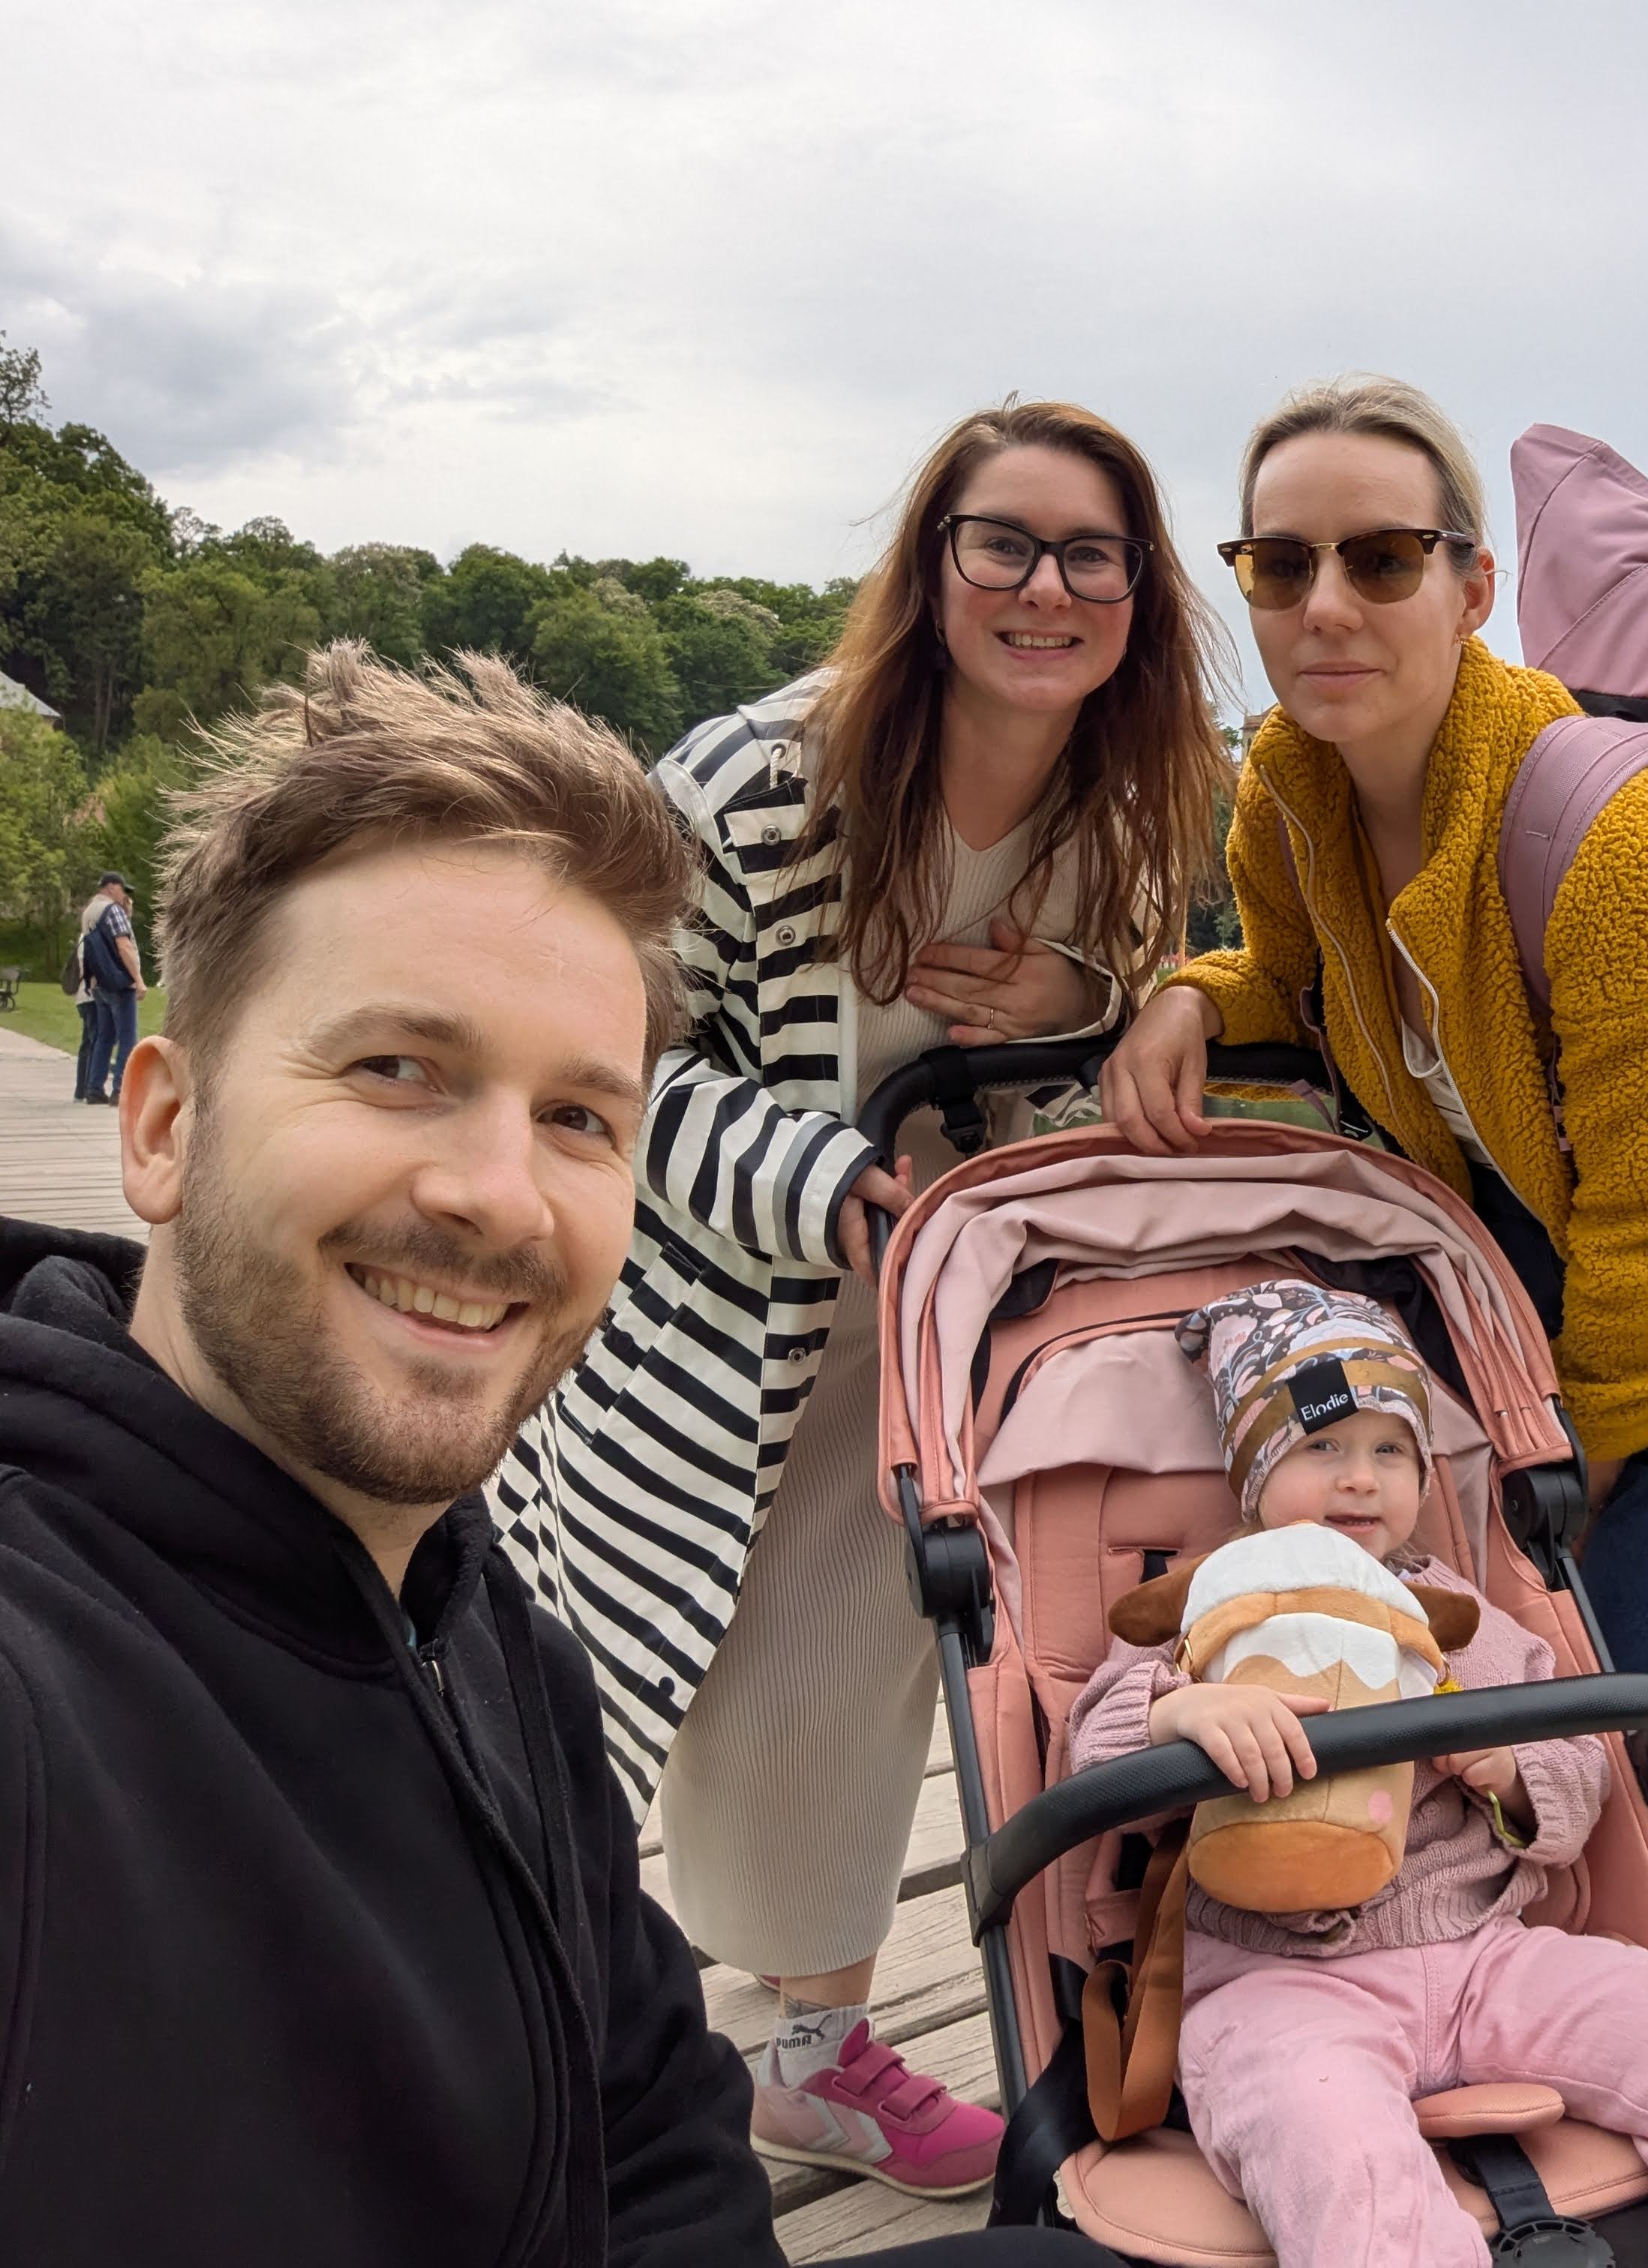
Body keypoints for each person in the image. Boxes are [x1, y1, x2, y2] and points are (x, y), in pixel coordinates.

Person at [0, 643, 1112, 2266]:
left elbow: (660, 2161)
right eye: (400, 1070)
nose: (499, 1196)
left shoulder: (497, 1657)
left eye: (581, 1117)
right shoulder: (47, 1691)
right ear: (161, 1125)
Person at [1100, 378, 1648, 2054]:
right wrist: (1194, 993)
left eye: (1383, 560)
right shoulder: (1290, 784)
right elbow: (1317, 982)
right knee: (1634, 1710)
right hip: (1543, 1266)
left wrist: (1576, 1469)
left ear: (1471, 591)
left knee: (1647, 1733)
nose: (1325, 607)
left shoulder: (1622, 848)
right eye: (1281, 564)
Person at [497, 398, 1232, 2198]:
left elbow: (1091, 1095)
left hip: (932, 1361)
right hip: (709, 1338)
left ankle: (805, 2049)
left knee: (844, 1688)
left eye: (1093, 555)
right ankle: (507, 2038)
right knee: (596, 1673)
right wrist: (824, 1185)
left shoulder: (1128, 822)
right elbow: (596, 1065)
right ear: (932, 563)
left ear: (1138, 595)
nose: (1044, 588)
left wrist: (1085, 1006)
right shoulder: (759, 777)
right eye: (1004, 542)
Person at [1066, 1282, 1648, 2268]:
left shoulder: (1460, 1615)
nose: (1359, 1480)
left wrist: (1506, 1768)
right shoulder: (1213, 1608)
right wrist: (1183, 1714)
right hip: (1275, 1980)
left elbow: (1577, 1770)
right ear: (1252, 1475)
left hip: (1481, 1954)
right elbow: (1095, 1743)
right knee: (1312, 2121)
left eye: (1389, 1452)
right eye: (1321, 1449)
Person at [71, 868, 141, 1104]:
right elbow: (124, 947)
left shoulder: (89, 912)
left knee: (104, 1037)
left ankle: (94, 1088)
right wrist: (138, 980)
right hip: (119, 981)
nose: (124, 896)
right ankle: (121, 1088)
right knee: (128, 1037)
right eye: (122, 890)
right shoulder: (112, 910)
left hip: (99, 983)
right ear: (112, 887)